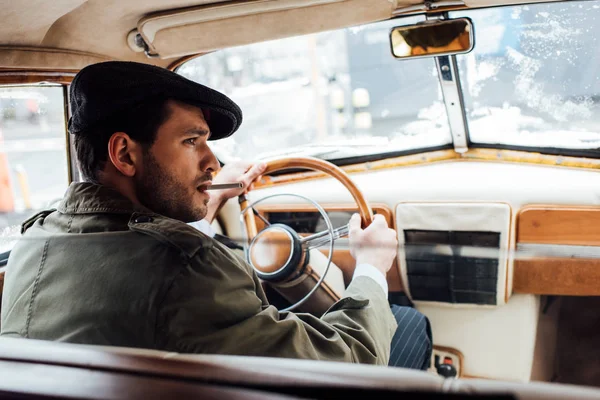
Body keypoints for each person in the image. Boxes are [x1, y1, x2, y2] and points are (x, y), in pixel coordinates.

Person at [1, 61, 431, 369]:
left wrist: (207, 206)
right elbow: (348, 359)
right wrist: (372, 267)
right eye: (192, 142)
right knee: (407, 326)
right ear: (124, 154)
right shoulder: (189, 267)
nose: (213, 163)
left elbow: (147, 292)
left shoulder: (34, 240)